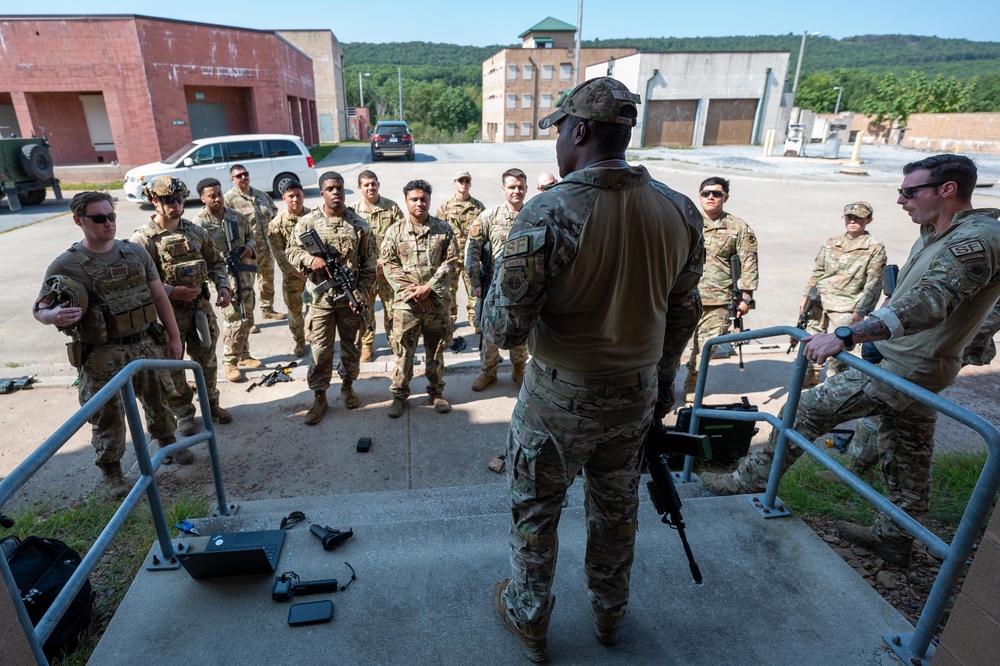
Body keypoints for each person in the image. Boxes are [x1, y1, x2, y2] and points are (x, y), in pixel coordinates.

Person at [483, 77, 704, 660]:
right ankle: (609, 615)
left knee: (537, 510)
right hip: (633, 398)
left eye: (559, 129)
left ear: (579, 131)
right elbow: (683, 310)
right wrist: (662, 380)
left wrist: (490, 285)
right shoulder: (679, 211)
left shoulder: (550, 212)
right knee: (616, 510)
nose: (557, 140)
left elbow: (503, 328)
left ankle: (530, 616)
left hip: (559, 401)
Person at [702, 154, 1000, 568]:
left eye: (910, 192)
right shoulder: (937, 232)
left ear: (947, 189)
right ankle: (895, 539)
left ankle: (741, 483)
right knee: (908, 455)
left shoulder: (979, 237)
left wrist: (847, 334)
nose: (901, 201)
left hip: (904, 370)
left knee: (803, 409)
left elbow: (932, 301)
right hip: (914, 364)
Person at [33, 191, 186, 497]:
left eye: (111, 216)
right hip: (101, 353)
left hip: (144, 343)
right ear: (79, 221)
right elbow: (39, 309)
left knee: (159, 399)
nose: (108, 224)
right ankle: (113, 471)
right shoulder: (66, 264)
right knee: (107, 415)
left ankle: (168, 442)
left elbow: (159, 296)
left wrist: (174, 336)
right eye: (99, 218)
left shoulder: (135, 253)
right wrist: (55, 315)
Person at [131, 176, 233, 438]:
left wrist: (223, 287)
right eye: (168, 200)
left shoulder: (196, 232)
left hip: (199, 311)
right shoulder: (143, 240)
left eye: (179, 199)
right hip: (168, 317)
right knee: (174, 367)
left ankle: (212, 405)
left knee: (207, 361)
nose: (176, 205)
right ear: (155, 202)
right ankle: (185, 414)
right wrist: (171, 291)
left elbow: (216, 263)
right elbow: (137, 282)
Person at [285, 171, 377, 425]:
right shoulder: (308, 222)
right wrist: (310, 259)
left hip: (349, 301)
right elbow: (291, 251)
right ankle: (319, 397)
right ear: (322, 192)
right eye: (330, 188)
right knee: (320, 351)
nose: (335, 192)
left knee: (351, 348)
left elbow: (370, 267)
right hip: (320, 301)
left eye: (339, 188)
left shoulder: (359, 225)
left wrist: (359, 294)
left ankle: (347, 387)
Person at [381, 179, 460, 418]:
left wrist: (429, 288)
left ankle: (436, 392)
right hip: (407, 306)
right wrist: (415, 294)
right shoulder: (395, 231)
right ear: (406, 201)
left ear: (429, 200)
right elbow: (389, 265)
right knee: (404, 353)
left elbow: (451, 262)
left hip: (436, 303)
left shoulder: (443, 229)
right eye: (414, 199)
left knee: (435, 351)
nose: (419, 203)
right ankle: (399, 396)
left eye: (423, 199)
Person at [683, 176, 758, 402]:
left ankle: (693, 381)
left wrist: (746, 297)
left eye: (716, 193)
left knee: (706, 347)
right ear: (699, 196)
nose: (711, 197)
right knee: (669, 345)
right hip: (682, 296)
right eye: (706, 193)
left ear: (726, 197)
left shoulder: (739, 228)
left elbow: (749, 264)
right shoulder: (686, 222)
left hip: (718, 301)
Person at [801, 201, 887, 386]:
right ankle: (811, 375)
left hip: (847, 306)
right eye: (849, 217)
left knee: (838, 353)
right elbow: (818, 271)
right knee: (810, 341)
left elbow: (874, 283)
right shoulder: (832, 242)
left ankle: (832, 386)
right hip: (819, 301)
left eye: (858, 218)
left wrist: (862, 311)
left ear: (868, 220)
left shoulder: (874, 247)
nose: (853, 221)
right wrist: (806, 296)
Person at [465, 168, 530, 391]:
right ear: (503, 189)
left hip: (524, 287)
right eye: (512, 186)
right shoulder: (489, 216)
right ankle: (488, 372)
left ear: (526, 188)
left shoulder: (533, 215)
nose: (517, 191)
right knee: (490, 331)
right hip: (493, 286)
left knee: (520, 330)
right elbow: (472, 251)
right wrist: (475, 283)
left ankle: (519, 369)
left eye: (520, 186)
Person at [193, 177, 260, 383]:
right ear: (202, 198)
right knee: (233, 319)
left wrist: (249, 248)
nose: (217, 199)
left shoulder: (236, 216)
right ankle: (230, 362)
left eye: (219, 194)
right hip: (222, 279)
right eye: (211, 196)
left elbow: (251, 236)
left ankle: (244, 354)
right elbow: (199, 256)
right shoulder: (200, 225)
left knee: (246, 316)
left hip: (244, 274)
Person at [350, 170, 404, 362]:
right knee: (366, 310)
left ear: (378, 185)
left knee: (392, 310)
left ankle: (395, 343)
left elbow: (401, 237)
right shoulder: (352, 211)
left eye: (373, 184)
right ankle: (367, 346)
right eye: (366, 185)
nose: (370, 187)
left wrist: (384, 261)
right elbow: (350, 245)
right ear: (359, 188)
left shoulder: (391, 208)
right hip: (365, 274)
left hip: (388, 272)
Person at [224, 164, 283, 324]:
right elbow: (226, 225)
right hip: (247, 251)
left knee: (267, 281)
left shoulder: (261, 195)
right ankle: (249, 321)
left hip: (267, 248)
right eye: (239, 176)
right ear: (233, 179)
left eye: (245, 174)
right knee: (247, 288)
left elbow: (274, 213)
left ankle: (268, 310)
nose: (243, 177)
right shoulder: (229, 200)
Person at [436, 170, 485, 328]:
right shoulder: (445, 207)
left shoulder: (478, 207)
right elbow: (438, 235)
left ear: (470, 183)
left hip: (471, 259)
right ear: (454, 183)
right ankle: (450, 318)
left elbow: (485, 233)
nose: (464, 184)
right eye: (460, 181)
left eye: (466, 181)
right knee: (448, 292)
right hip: (451, 259)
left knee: (474, 291)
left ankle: (474, 318)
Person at [269, 180, 311, 357]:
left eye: (298, 195)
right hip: (293, 276)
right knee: (294, 311)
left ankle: (315, 337)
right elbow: (278, 252)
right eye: (291, 196)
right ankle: (299, 341)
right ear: (284, 198)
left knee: (315, 308)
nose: (295, 200)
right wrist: (294, 271)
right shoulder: (276, 224)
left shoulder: (314, 216)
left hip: (314, 274)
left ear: (303, 196)